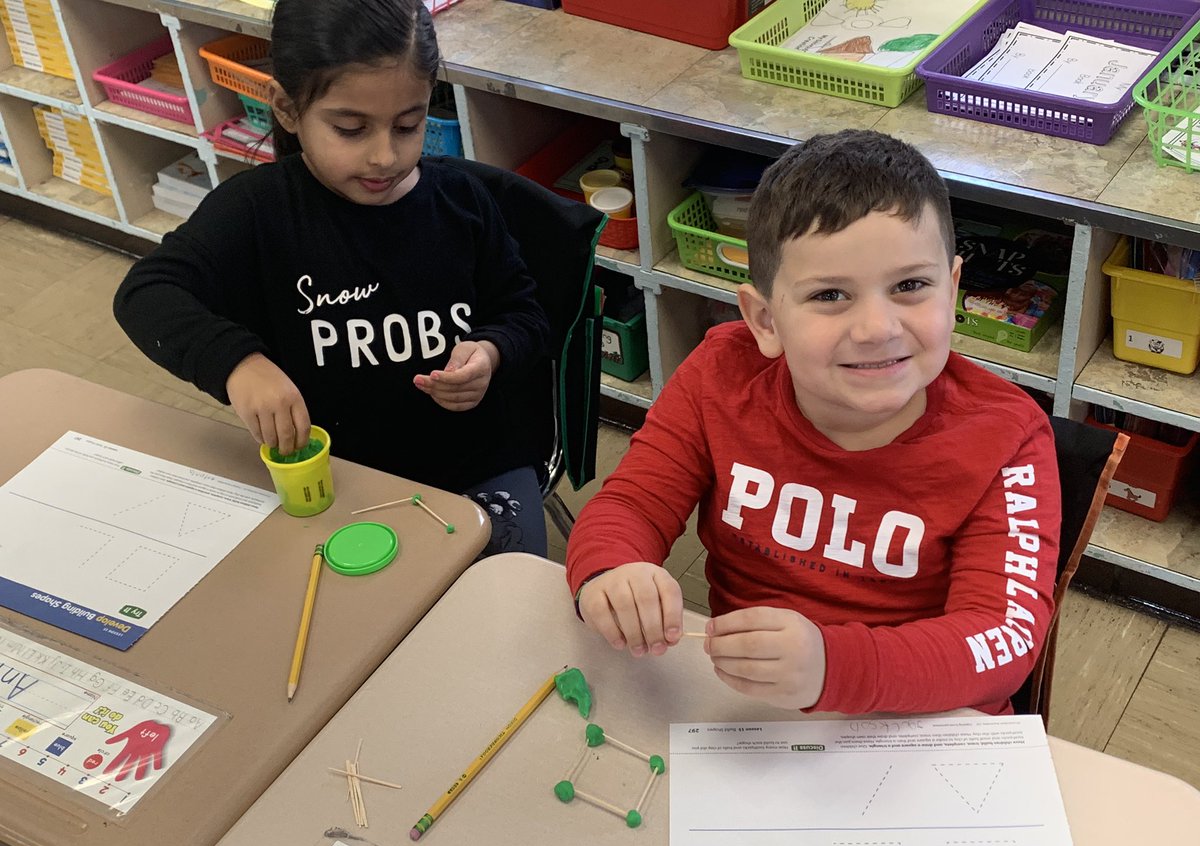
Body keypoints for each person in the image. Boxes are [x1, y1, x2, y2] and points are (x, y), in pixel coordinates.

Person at [566, 130, 1061, 716]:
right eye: (830, 295)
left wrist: (834, 667)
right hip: (757, 711)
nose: (877, 328)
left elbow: (1002, 642)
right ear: (765, 320)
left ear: (952, 290)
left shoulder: (1008, 438)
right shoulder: (720, 375)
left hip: (926, 722)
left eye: (910, 286)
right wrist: (612, 569)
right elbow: (631, 507)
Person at [113, 0, 551, 557]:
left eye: (409, 125)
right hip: (334, 478)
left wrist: (491, 351)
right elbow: (146, 292)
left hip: (476, 469)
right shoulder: (258, 210)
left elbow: (525, 314)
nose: (385, 156)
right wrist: (237, 364)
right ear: (288, 109)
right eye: (350, 129)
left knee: (500, 614)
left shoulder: (463, 203)